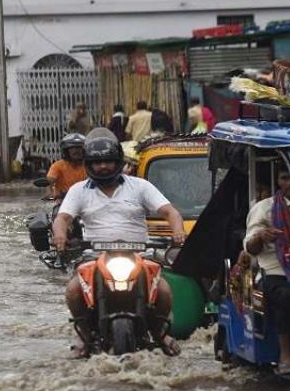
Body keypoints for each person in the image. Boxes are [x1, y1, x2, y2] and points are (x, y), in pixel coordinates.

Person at [51, 128, 186, 356]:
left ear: (118, 162)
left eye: (108, 161)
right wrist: (60, 235)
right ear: (89, 164)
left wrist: (178, 232)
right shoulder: (78, 190)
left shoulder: (140, 186)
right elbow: (62, 218)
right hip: (93, 255)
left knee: (163, 290)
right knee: (74, 290)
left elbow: (170, 212)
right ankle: (83, 335)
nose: (103, 166)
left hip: (140, 254)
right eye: (97, 162)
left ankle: (161, 333)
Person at [241, 169, 290, 374]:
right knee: (286, 296)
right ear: (278, 181)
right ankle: (286, 353)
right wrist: (261, 236)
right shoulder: (265, 209)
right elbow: (250, 247)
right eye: (284, 177)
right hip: (275, 269)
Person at [46, 133, 87, 200]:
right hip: (63, 201)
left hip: (84, 200)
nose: (76, 150)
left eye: (79, 148)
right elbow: (49, 181)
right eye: (72, 148)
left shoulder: (89, 165)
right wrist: (50, 194)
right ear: (66, 151)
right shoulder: (57, 166)